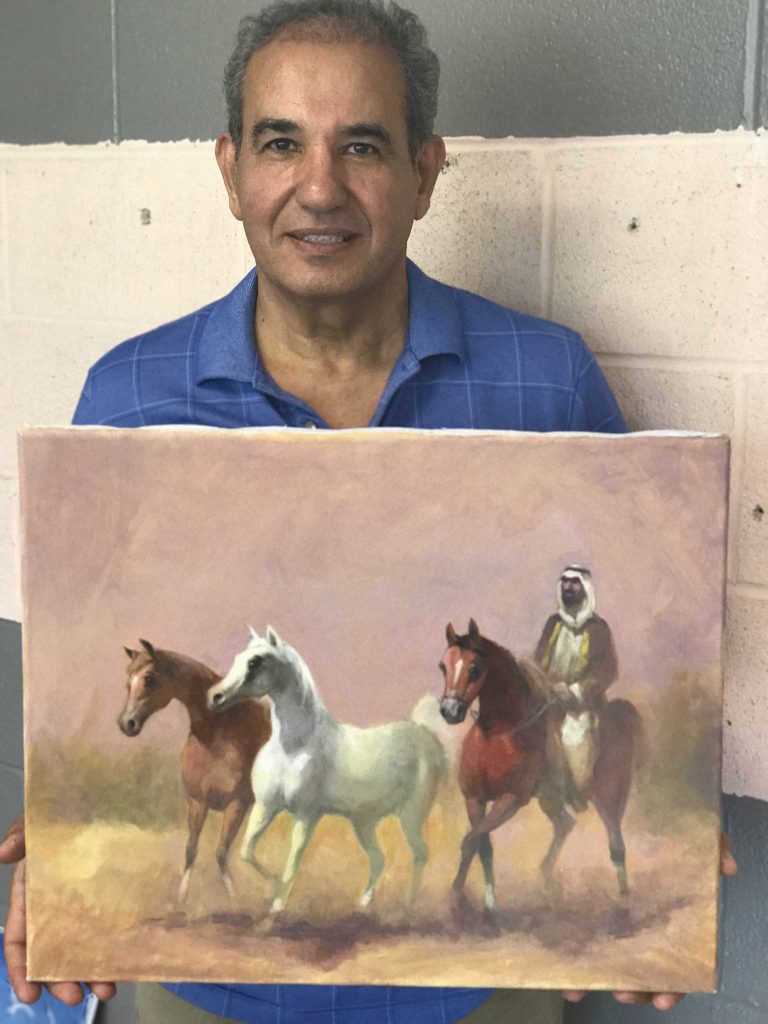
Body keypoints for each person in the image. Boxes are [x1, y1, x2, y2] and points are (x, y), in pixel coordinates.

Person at [0, 1, 737, 1021]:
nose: (319, 187)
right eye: (280, 144)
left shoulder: (549, 379)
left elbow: (633, 633)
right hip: (207, 997)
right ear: (229, 170)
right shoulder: (125, 395)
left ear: (425, 173)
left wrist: (670, 823)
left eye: (361, 145)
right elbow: (85, 679)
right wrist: (56, 842)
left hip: (480, 997)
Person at [535, 565, 618, 810]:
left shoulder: (598, 628)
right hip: (548, 701)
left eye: (574, 583)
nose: (568, 588)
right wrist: (547, 685)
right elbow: (539, 660)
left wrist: (575, 691)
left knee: (574, 739)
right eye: (564, 582)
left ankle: (574, 792)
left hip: (581, 706)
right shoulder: (553, 624)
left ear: (585, 588)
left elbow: (607, 671)